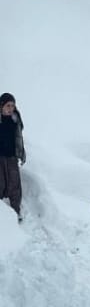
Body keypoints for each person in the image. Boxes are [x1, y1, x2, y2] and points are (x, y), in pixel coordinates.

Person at [0, 92, 25, 222]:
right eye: (8, 106)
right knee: (1, 183)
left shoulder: (16, 119)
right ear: (1, 106)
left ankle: (16, 211)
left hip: (12, 157)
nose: (11, 109)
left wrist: (21, 154)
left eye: (13, 106)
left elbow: (19, 138)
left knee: (15, 185)